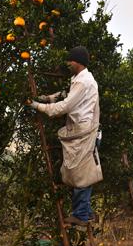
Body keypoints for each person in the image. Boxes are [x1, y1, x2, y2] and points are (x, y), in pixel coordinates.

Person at [27, 46, 102, 225]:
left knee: (80, 174)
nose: (68, 64)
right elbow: (68, 94)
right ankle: (87, 213)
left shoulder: (84, 82)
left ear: (78, 62)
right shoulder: (80, 79)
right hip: (82, 130)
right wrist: (49, 98)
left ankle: (81, 215)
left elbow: (64, 107)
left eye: (70, 61)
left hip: (84, 132)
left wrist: (38, 106)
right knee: (82, 172)